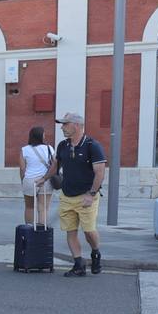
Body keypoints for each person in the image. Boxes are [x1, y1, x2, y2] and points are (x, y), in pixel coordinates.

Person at [38, 112, 107, 277]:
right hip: (67, 196)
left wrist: (91, 194)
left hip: (86, 196)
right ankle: (78, 264)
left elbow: (100, 173)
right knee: (70, 231)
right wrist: (44, 178)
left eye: (65, 124)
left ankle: (95, 253)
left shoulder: (92, 146)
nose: (62, 127)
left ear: (76, 125)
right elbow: (55, 166)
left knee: (89, 231)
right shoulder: (62, 145)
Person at [19, 126, 55, 226]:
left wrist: (23, 180)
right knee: (43, 208)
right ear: (41, 136)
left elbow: (22, 168)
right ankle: (41, 233)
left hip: (29, 180)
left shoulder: (24, 149)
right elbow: (54, 164)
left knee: (29, 207)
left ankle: (28, 231)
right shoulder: (49, 148)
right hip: (45, 180)